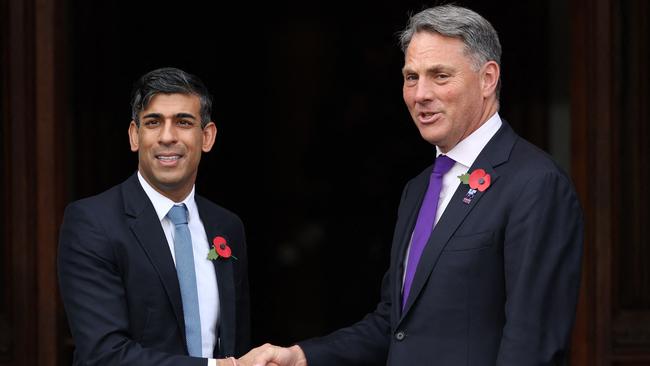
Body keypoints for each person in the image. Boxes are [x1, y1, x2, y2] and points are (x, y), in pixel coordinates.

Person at [244, 4, 583, 366]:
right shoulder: (419, 188)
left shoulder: (535, 183)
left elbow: (531, 347)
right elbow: (394, 325)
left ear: (487, 79)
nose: (420, 94)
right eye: (411, 77)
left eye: (439, 76)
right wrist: (301, 356)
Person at [58, 67, 250, 366]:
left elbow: (234, 343)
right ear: (135, 136)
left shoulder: (226, 226)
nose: (167, 137)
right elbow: (103, 355)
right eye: (153, 122)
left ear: (207, 137)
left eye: (184, 122)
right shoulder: (92, 222)